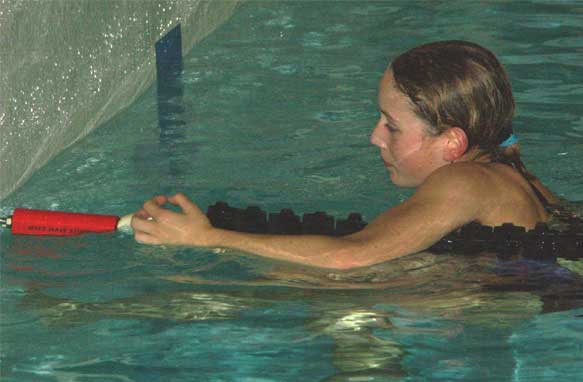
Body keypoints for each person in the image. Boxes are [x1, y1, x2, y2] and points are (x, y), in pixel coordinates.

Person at [132, 40, 558, 270]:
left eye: (391, 126)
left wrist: (206, 238)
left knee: (326, 287)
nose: (375, 137)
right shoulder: (513, 173)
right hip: (535, 295)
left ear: (452, 143)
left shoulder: (464, 181)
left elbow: (349, 257)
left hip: (532, 309)